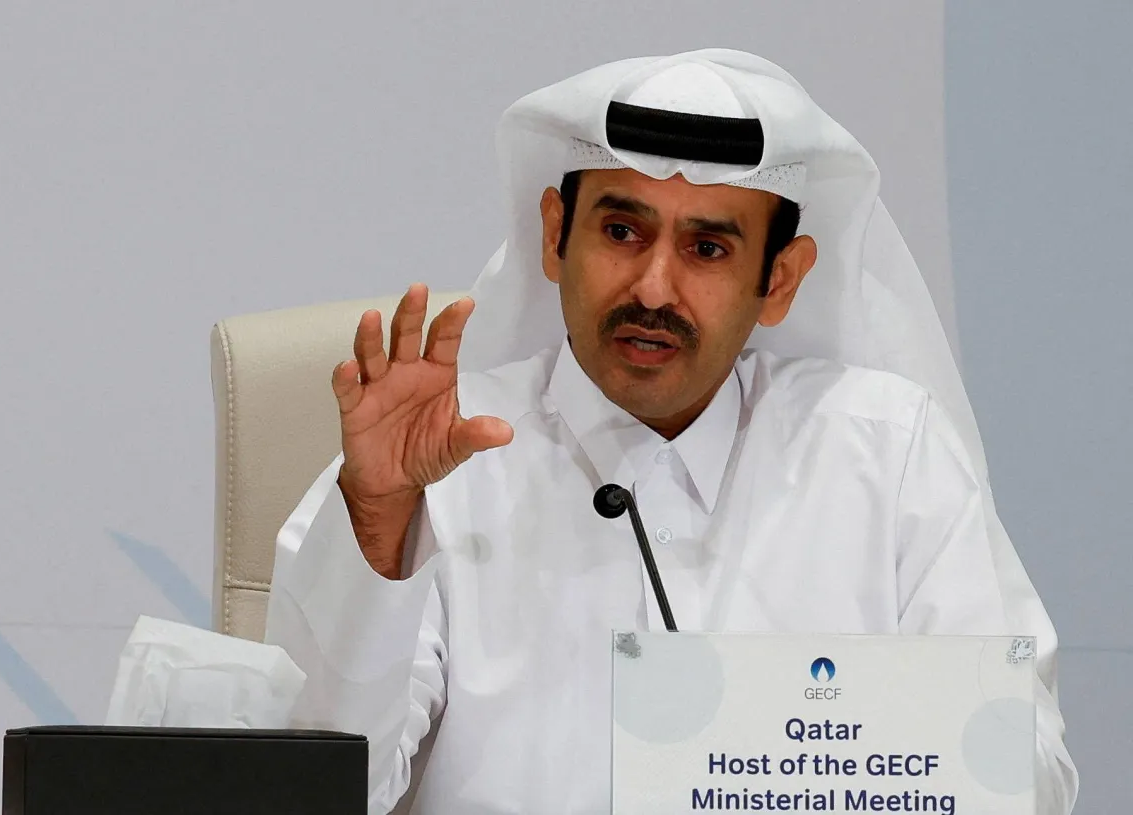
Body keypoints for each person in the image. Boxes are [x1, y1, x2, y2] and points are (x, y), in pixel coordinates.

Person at [263, 50, 1078, 814]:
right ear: (555, 235)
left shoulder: (888, 457)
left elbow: (1029, 771)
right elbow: (317, 787)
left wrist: (822, 748)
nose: (654, 287)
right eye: (622, 232)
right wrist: (378, 518)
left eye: (707, 248)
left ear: (780, 279)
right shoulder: (444, 458)